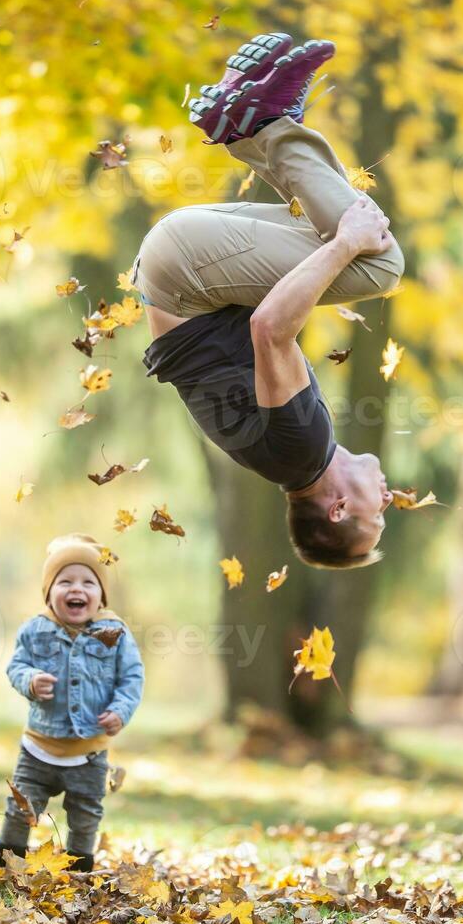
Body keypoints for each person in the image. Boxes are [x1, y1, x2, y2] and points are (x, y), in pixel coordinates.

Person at [129, 32, 403, 568]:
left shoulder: (300, 449)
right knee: (340, 240)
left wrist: (349, 242)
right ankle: (244, 122)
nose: (390, 502)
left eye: (379, 518)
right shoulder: (293, 458)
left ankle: (265, 123)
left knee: (379, 264)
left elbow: (270, 327)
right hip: (181, 268)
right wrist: (341, 241)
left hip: (186, 271)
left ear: (339, 509)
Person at [0, 534, 144, 873]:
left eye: (88, 582)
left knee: (86, 812)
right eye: (65, 582)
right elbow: (15, 666)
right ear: (49, 592)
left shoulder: (115, 632)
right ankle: (8, 859)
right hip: (38, 748)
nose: (77, 589)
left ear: (101, 595)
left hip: (89, 751)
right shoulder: (35, 630)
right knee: (21, 806)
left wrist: (121, 710)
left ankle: (77, 867)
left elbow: (132, 678)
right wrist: (30, 679)